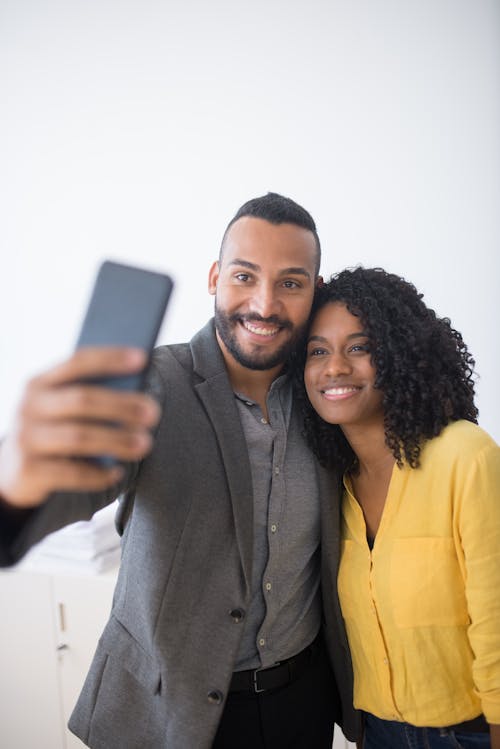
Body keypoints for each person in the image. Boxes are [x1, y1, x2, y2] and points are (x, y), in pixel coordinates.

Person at [0, 193, 359, 749]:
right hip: (170, 715)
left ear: (314, 292)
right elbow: (69, 488)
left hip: (302, 702)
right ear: (216, 277)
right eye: (245, 276)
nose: (264, 304)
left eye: (291, 283)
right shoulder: (154, 386)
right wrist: (20, 480)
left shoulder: (326, 396)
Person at [298, 266, 500, 749]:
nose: (336, 368)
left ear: (400, 354)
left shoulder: (465, 456)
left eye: (360, 347)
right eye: (318, 351)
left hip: (469, 735)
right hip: (376, 733)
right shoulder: (331, 484)